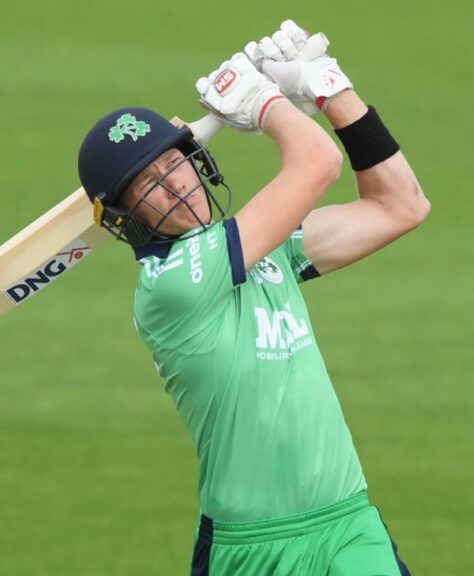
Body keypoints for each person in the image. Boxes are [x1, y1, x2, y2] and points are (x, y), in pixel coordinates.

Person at [77, 20, 430, 576]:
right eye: (149, 184)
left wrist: (330, 88)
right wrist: (265, 101)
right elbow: (318, 163)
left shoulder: (262, 249)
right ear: (126, 218)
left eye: (175, 164)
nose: (175, 186)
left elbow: (401, 206)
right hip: (252, 549)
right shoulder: (171, 287)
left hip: (347, 525)